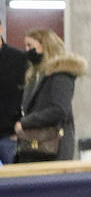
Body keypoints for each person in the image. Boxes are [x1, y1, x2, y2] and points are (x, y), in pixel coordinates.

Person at [15, 28, 84, 162]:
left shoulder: (61, 75)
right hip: (35, 145)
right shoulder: (35, 75)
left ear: (44, 46)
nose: (27, 50)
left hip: (53, 147)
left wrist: (24, 123)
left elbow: (59, 110)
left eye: (30, 45)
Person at [0, 20, 25, 164]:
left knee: (17, 182)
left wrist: (20, 126)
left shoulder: (18, 58)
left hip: (10, 134)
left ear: (1, 29)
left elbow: (27, 95)